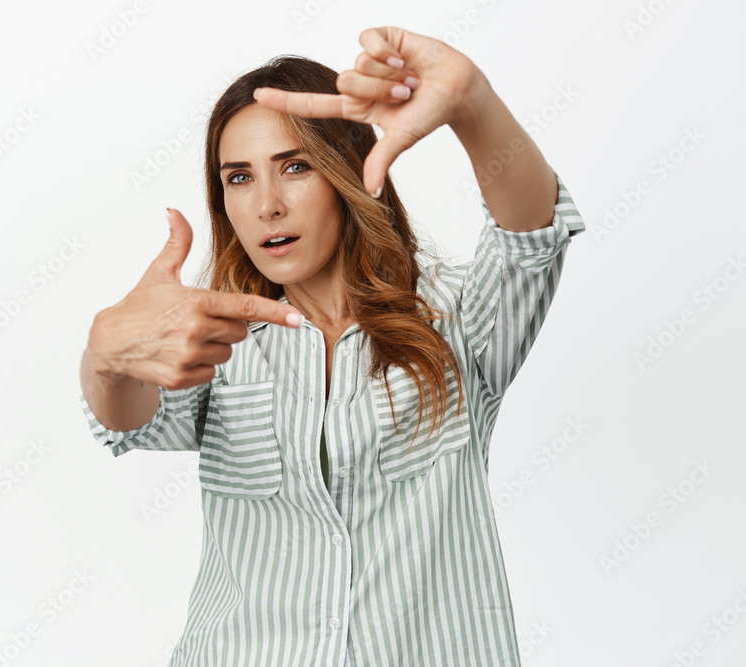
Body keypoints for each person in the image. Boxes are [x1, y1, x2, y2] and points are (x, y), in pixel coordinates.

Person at [79, 26, 585, 667]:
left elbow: (530, 237)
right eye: (238, 178)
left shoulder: (455, 319)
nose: (266, 205)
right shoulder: (218, 339)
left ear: (347, 172)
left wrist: (471, 101)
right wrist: (106, 357)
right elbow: (128, 418)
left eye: (295, 167)